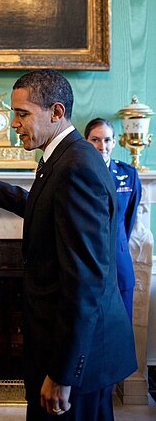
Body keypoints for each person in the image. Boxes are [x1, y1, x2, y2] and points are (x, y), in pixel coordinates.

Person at [0, 70, 137, 421]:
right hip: (71, 351)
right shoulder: (64, 156)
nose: (13, 124)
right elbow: (44, 208)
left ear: (56, 112)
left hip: (76, 361)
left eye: (22, 114)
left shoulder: (76, 167)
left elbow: (84, 282)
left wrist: (61, 374)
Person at [84, 117, 142, 321]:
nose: (102, 146)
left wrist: (117, 244)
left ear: (115, 142)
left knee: (122, 326)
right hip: (87, 263)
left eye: (107, 140)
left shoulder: (129, 174)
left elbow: (127, 220)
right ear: (86, 142)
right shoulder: (77, 173)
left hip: (119, 264)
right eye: (95, 140)